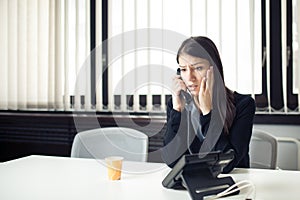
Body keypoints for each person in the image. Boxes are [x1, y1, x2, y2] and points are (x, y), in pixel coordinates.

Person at [162, 36, 256, 173]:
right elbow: (171, 160)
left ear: (215, 69)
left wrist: (208, 113)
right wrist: (177, 111)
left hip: (233, 182)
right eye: (183, 69)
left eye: (198, 68)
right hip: (192, 181)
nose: (189, 77)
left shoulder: (243, 105)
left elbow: (227, 165)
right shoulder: (178, 104)